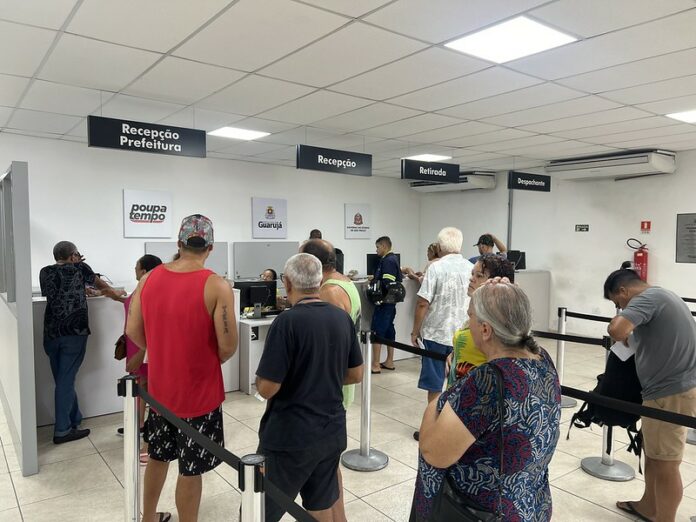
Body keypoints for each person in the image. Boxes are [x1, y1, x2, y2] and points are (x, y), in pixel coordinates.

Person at [411, 281, 561, 521]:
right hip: (529, 504)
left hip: (480, 510)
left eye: (469, 316)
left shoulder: (487, 380)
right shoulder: (542, 359)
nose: (467, 322)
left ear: (485, 330)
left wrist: (438, 400)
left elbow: (434, 452)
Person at [126, 214, 238, 522]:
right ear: (210, 247)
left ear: (179, 243)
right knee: (190, 469)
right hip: (199, 394)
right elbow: (228, 345)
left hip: (160, 392)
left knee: (158, 457)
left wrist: (162, 350)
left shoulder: (149, 279)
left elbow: (133, 330)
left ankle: (148, 517)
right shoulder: (216, 285)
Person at [255, 253, 364, 522]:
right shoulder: (342, 318)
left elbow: (267, 388)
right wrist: (321, 377)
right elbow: (356, 374)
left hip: (290, 437)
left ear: (287, 283)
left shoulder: (286, 322)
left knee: (259, 509)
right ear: (319, 280)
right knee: (320, 505)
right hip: (331, 431)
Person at [605, 269, 696, 522]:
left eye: (617, 303)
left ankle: (665, 518)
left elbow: (617, 330)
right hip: (667, 390)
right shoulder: (664, 296)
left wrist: (620, 326)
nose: (620, 308)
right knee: (654, 454)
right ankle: (648, 506)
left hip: (671, 393)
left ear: (623, 290)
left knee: (666, 464)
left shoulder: (648, 298)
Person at [300, 239, 362, 522]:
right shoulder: (344, 282)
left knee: (323, 469)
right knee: (328, 467)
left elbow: (330, 345)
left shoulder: (329, 291)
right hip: (336, 384)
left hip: (331, 388)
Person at [40, 241, 123, 444]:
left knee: (63, 379)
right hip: (74, 332)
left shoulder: (45, 272)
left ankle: (74, 419)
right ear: (72, 255)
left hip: (51, 333)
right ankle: (62, 431)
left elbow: (58, 292)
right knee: (65, 380)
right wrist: (116, 293)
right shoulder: (80, 268)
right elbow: (104, 287)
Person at [411, 227, 473, 440]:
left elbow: (423, 303)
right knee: (458, 383)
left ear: (438, 246)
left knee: (435, 385)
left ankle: (433, 427)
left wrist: (415, 331)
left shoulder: (435, 268)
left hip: (436, 334)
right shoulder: (471, 268)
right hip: (463, 336)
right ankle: (453, 428)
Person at [110, 254, 163, 453]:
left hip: (142, 346)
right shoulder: (142, 287)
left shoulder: (151, 289)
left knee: (146, 386)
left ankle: (147, 429)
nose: (134, 269)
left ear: (144, 270)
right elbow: (131, 303)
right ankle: (140, 424)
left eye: (136, 266)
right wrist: (116, 297)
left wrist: (143, 350)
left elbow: (150, 322)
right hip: (136, 344)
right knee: (140, 385)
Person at [448, 254, 515, 386]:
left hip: (479, 389)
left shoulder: (499, 321)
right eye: (472, 274)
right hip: (459, 387)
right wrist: (455, 353)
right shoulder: (476, 311)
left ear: (495, 282)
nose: (471, 279)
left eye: (479, 276)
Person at [371, 236, 402, 373]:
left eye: (377, 247)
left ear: (384, 246)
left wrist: (374, 282)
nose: (376, 250)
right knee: (389, 330)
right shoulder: (391, 259)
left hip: (384, 302)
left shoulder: (388, 261)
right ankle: (389, 361)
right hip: (390, 302)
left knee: (378, 330)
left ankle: (375, 364)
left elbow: (387, 283)